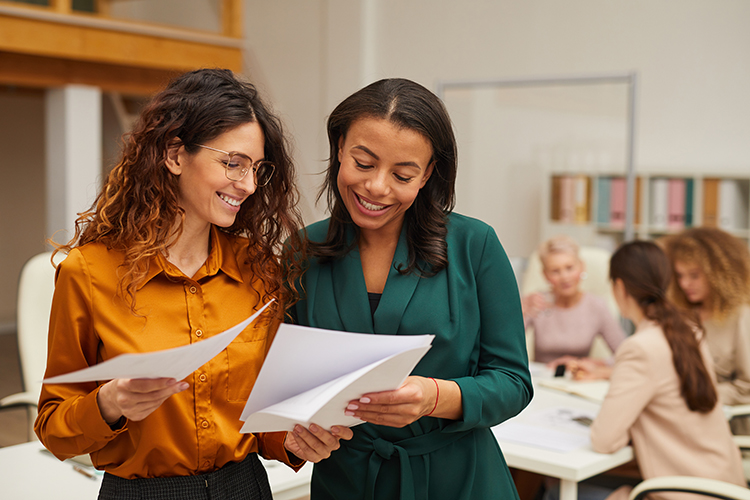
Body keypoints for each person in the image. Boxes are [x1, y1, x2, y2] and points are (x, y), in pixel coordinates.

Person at [34, 68, 352, 500]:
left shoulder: (257, 268)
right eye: (233, 164)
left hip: (245, 487)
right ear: (175, 155)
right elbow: (54, 430)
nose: (249, 185)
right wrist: (109, 405)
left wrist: (293, 439)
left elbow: (262, 418)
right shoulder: (88, 272)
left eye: (257, 169)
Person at [289, 78, 533, 500]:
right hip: (346, 482)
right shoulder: (303, 251)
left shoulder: (474, 245)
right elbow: (287, 383)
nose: (377, 187)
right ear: (339, 149)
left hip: (458, 481)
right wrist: (294, 432)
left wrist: (435, 395)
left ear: (428, 175)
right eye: (363, 163)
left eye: (403, 174)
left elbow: (513, 382)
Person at [588, 240, 744, 500]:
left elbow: (604, 441)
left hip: (686, 492)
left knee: (554, 491)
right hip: (726, 486)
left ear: (619, 287)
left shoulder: (639, 347)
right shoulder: (689, 330)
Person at [662, 227, 750, 422]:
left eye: (694, 275)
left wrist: (697, 397)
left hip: (723, 419)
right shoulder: (682, 314)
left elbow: (747, 387)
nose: (685, 284)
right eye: (680, 275)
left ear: (720, 274)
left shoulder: (742, 317)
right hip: (679, 412)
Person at [521, 235, 625, 377]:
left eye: (569, 268)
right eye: (555, 271)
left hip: (580, 380)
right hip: (540, 383)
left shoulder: (596, 306)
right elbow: (505, 347)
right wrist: (521, 310)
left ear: (581, 267)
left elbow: (625, 355)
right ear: (545, 275)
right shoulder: (536, 303)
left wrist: (583, 362)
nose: (564, 277)